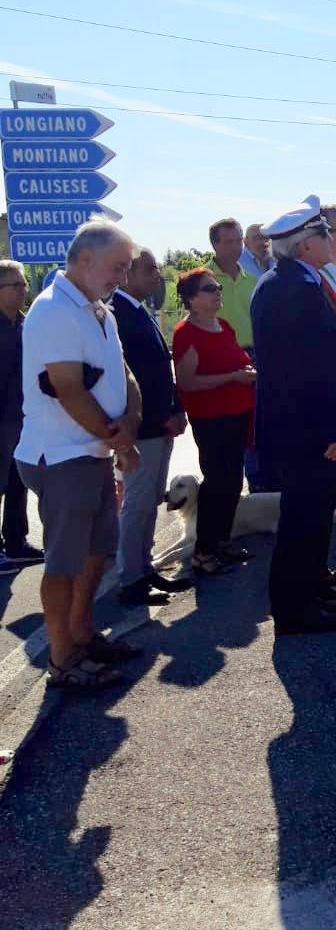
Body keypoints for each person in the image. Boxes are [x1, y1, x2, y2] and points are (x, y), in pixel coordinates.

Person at [16, 221, 144, 692]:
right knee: (65, 563)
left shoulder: (99, 311)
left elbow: (122, 373)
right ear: (85, 260)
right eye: (117, 267)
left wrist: (130, 419)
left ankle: (82, 634)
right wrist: (122, 440)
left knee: (95, 554)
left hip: (91, 451)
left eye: (126, 268)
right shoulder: (53, 311)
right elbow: (68, 389)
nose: (122, 277)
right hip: (62, 455)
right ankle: (62, 659)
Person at [251, 201, 336, 636]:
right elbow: (308, 370)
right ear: (308, 245)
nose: (333, 240)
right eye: (326, 234)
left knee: (312, 515)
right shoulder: (288, 287)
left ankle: (309, 587)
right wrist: (334, 428)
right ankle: (294, 610)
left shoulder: (294, 281)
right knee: (301, 518)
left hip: (307, 426)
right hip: (307, 429)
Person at [112, 248, 189, 605]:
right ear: (127, 273)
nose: (156, 275)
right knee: (138, 504)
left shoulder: (139, 310)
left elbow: (161, 371)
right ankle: (130, 579)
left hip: (161, 425)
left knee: (149, 502)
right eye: (149, 269)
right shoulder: (117, 314)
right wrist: (158, 416)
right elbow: (128, 379)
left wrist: (176, 409)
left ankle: (144, 568)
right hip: (143, 428)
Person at [172, 268, 257, 577]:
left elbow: (235, 359)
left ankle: (220, 542)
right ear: (192, 299)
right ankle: (203, 553)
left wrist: (245, 370)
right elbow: (188, 382)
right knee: (217, 482)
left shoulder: (223, 325)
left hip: (238, 413)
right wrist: (233, 377)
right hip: (212, 419)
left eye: (217, 287)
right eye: (209, 289)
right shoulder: (186, 333)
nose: (217, 292)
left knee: (233, 481)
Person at [0, 261, 41, 577]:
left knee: (18, 482)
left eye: (24, 284)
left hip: (24, 419)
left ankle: (16, 542)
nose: (23, 290)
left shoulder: (27, 325)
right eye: (15, 285)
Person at [207, 216, 258, 355]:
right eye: (229, 242)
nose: (236, 247)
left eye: (239, 241)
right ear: (214, 244)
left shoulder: (253, 281)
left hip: (252, 355)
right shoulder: (203, 280)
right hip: (216, 355)